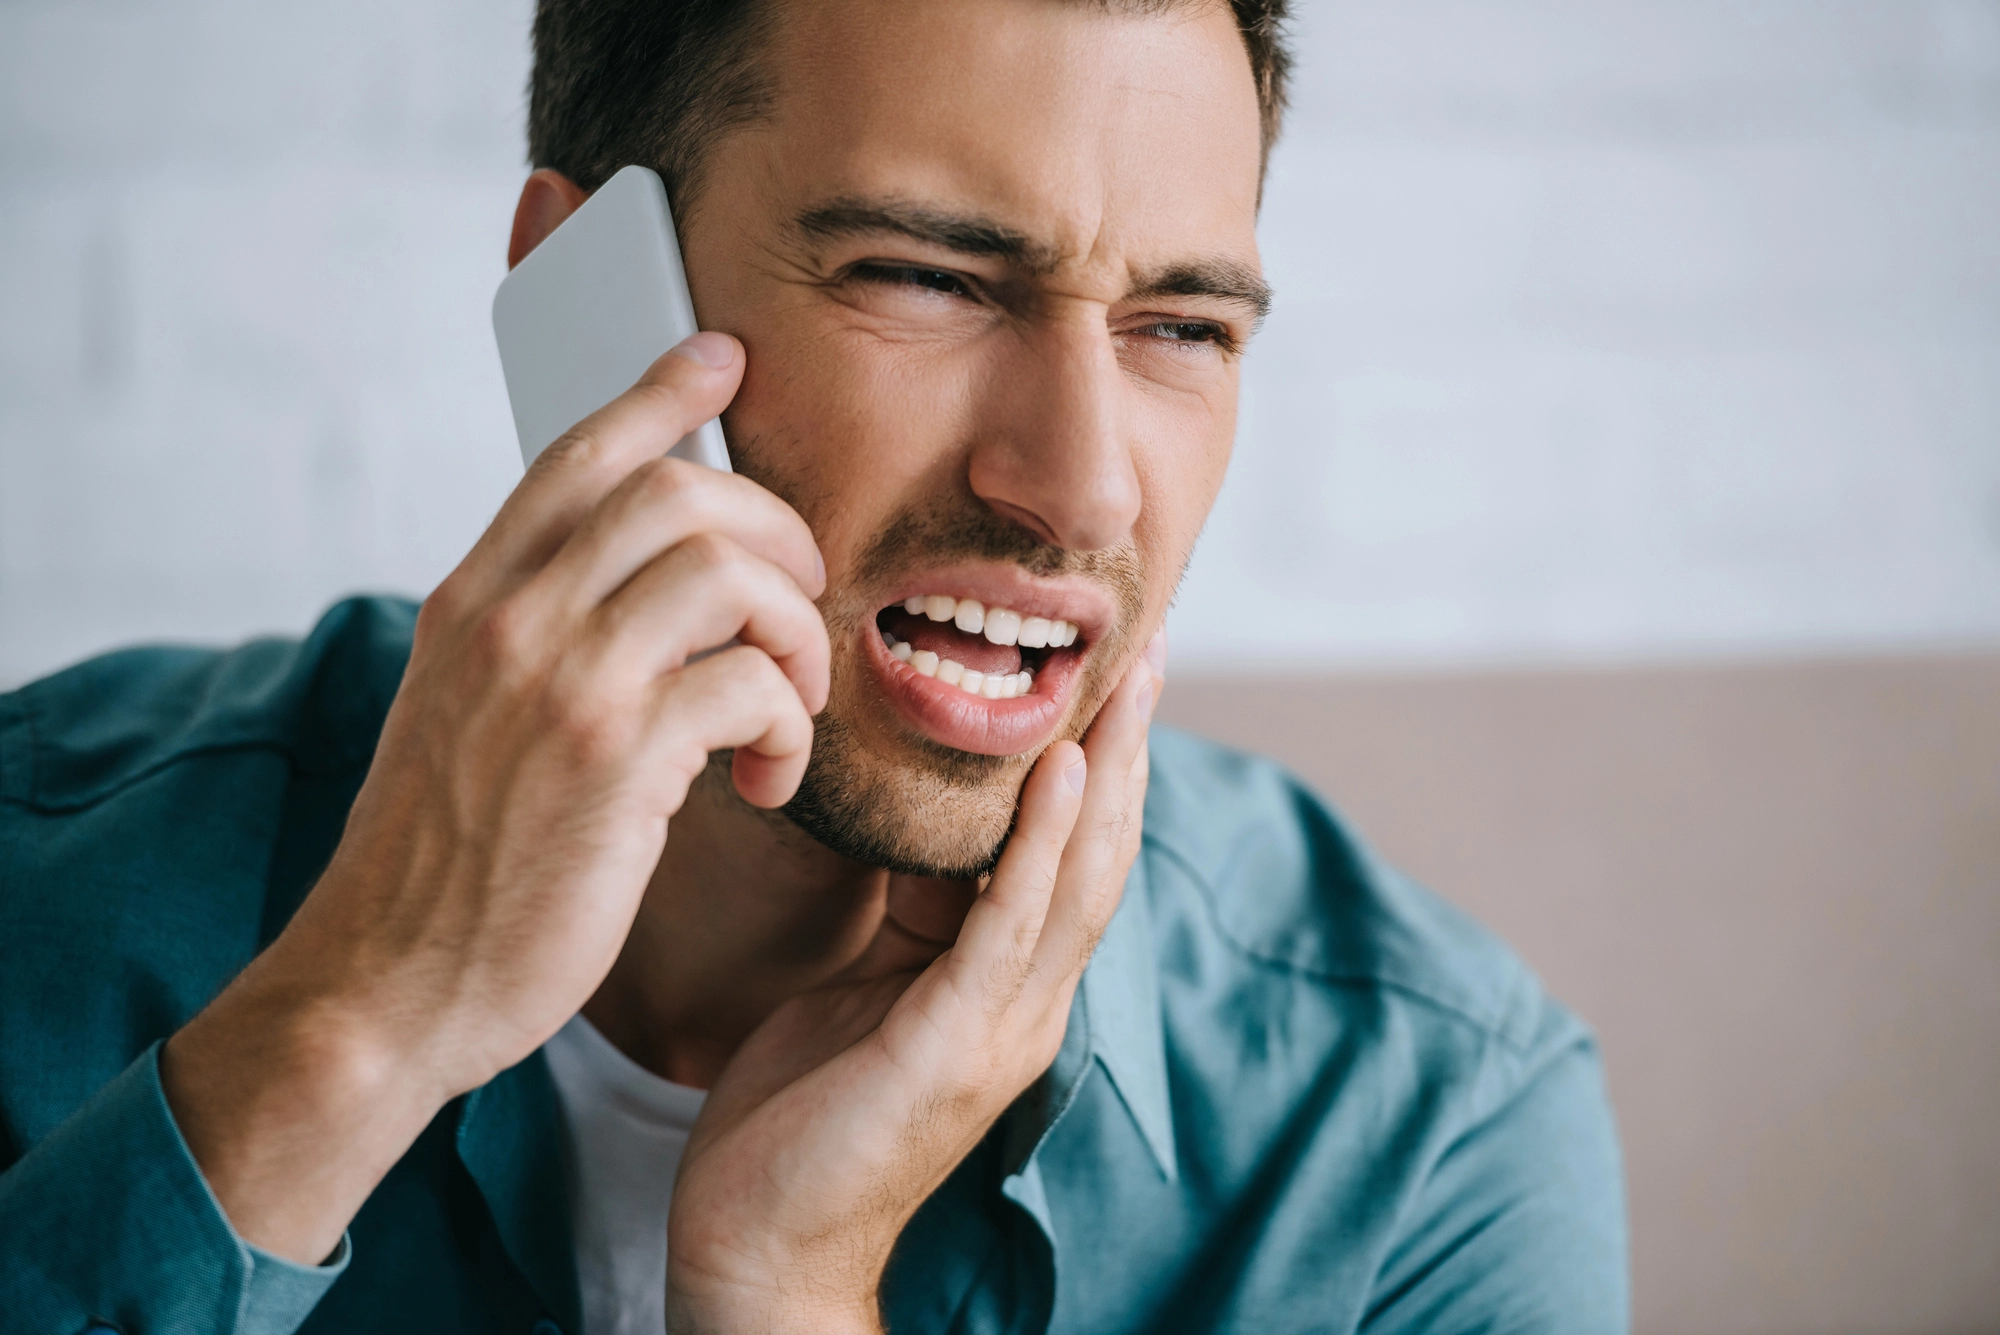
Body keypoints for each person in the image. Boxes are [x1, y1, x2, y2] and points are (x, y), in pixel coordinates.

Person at [0, 1, 1627, 1331]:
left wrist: (789, 1287)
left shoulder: (1424, 1128)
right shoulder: (37, 889)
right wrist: (354, 1027)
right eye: (924, 277)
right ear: (587, 297)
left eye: (1182, 327)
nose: (1082, 486)